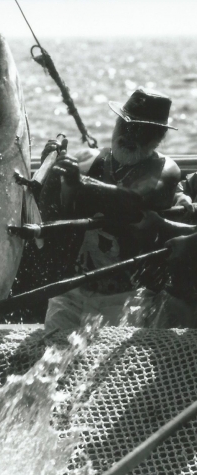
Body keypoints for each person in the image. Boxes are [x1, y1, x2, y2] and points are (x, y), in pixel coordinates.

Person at [41, 87, 181, 332]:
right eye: (124, 124)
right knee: (51, 354)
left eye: (141, 129)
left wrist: (80, 183)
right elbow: (50, 218)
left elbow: (135, 201)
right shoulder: (88, 159)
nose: (129, 134)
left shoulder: (164, 170)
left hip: (130, 300)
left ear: (159, 137)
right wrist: (51, 172)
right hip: (72, 294)